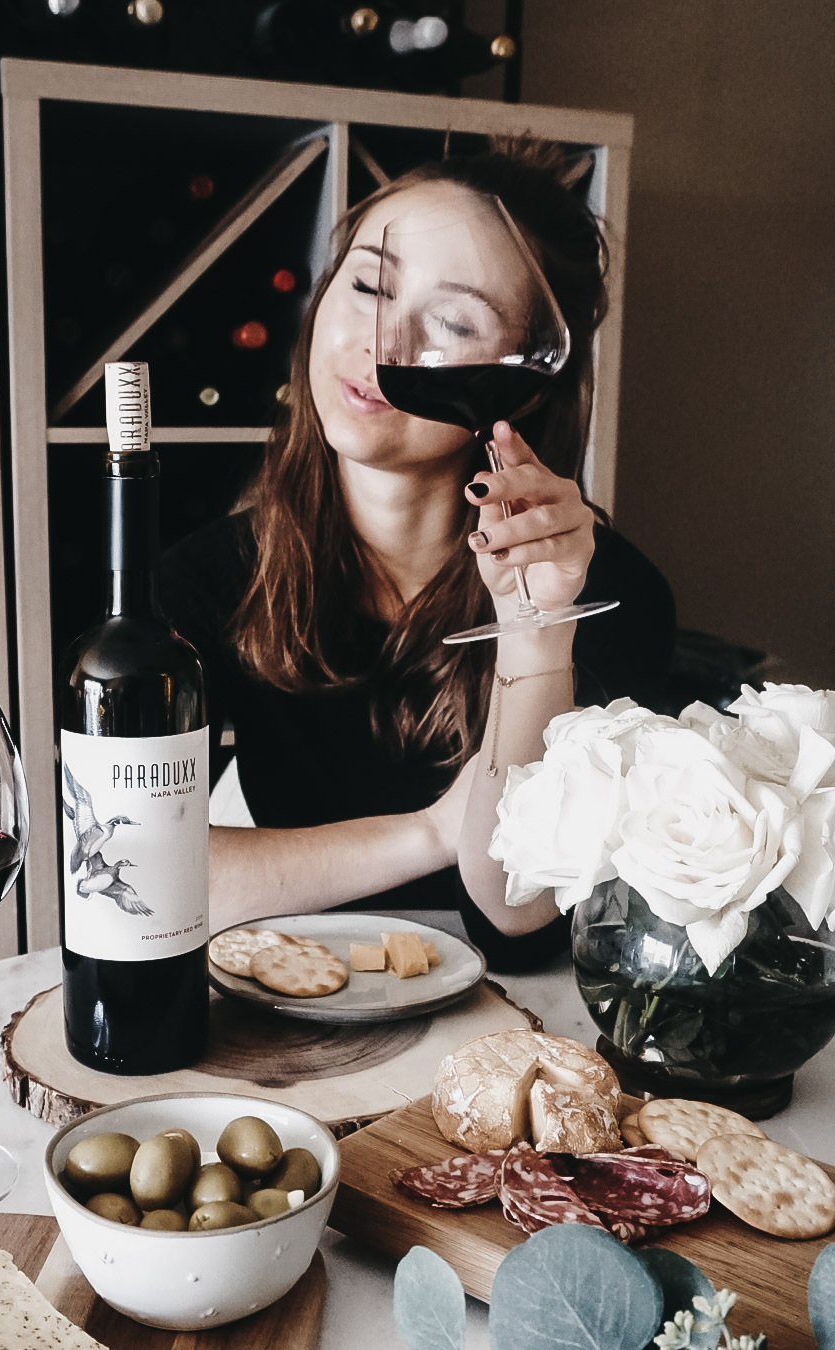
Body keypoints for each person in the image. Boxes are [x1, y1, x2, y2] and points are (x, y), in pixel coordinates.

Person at [161, 139, 675, 971]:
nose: (382, 342)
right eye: (368, 285)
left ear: (527, 382)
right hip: (297, 1015)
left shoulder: (611, 593)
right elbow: (149, 879)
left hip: (524, 1032)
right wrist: (433, 830)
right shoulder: (207, 582)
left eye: (453, 320)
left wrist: (535, 628)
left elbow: (519, 916)